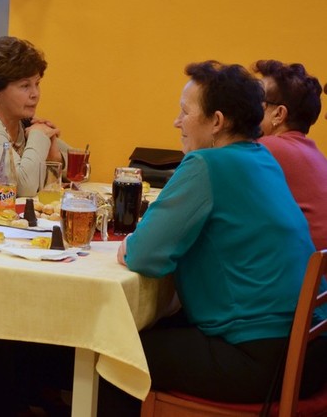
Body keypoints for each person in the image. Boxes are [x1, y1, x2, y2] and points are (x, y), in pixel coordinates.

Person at [111, 61, 327, 415]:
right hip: (309, 353)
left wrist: (127, 245)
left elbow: (145, 256)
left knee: (112, 351)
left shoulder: (207, 164)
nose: (177, 122)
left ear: (217, 121)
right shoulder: (262, 158)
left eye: (185, 112)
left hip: (258, 359)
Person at [0, 36, 68, 197]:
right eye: (25, 86)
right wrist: (39, 136)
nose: (35, 94)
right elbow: (22, 187)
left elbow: (82, 167)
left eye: (37, 84)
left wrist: (55, 157)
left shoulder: (23, 122)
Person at [254, 59, 327, 252]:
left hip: (300, 268)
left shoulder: (265, 148)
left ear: (278, 114)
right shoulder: (315, 154)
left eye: (256, 101)